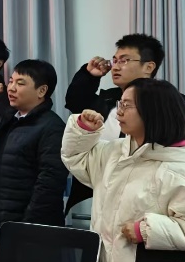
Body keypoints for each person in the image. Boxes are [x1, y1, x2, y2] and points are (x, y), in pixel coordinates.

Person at [62, 78, 185, 262]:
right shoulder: (116, 151)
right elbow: (77, 159)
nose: (118, 112)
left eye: (127, 105)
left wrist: (147, 230)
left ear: (154, 111)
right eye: (120, 103)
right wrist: (84, 131)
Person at [64, 34, 167, 214]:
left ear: (149, 67)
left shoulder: (165, 106)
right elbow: (75, 101)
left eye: (124, 61)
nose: (116, 67)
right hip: (93, 194)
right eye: (115, 60)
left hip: (139, 202)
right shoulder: (109, 99)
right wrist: (89, 76)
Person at [0, 60, 67, 228]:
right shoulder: (7, 119)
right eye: (11, 81)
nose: (11, 88)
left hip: (31, 227)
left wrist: (26, 225)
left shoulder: (52, 127)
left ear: (41, 90)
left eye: (20, 83)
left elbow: (49, 184)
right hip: (0, 220)